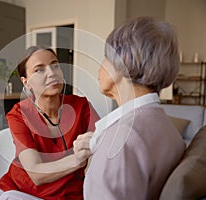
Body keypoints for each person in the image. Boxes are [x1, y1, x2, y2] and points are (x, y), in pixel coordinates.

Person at [73, 17, 186, 199]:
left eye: (106, 57)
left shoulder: (120, 140)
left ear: (121, 64)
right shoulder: (167, 129)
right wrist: (100, 143)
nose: (99, 66)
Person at [0, 46, 100, 200]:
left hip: (69, 194)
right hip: (20, 189)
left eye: (55, 65)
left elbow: (105, 143)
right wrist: (78, 159)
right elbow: (36, 173)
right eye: (39, 70)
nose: (52, 73)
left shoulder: (81, 106)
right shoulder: (19, 113)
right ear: (26, 83)